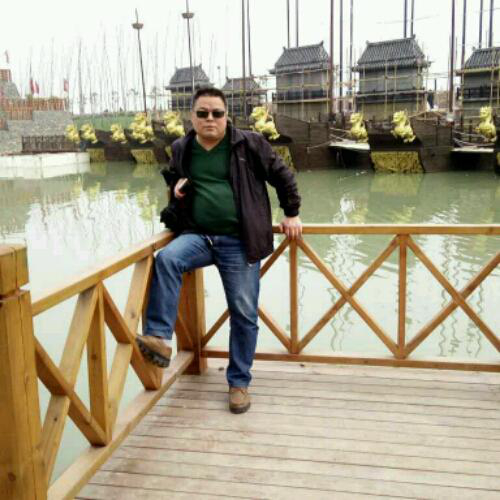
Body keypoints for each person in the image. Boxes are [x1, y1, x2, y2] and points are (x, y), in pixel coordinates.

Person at [136, 87, 302, 414]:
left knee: (243, 313)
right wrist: (177, 185)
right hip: (198, 235)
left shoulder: (249, 144)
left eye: (216, 113)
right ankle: (158, 338)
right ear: (192, 117)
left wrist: (292, 213)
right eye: (202, 113)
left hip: (239, 240)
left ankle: (238, 383)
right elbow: (175, 177)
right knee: (167, 259)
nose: (209, 119)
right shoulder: (182, 147)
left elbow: (282, 175)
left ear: (227, 116)